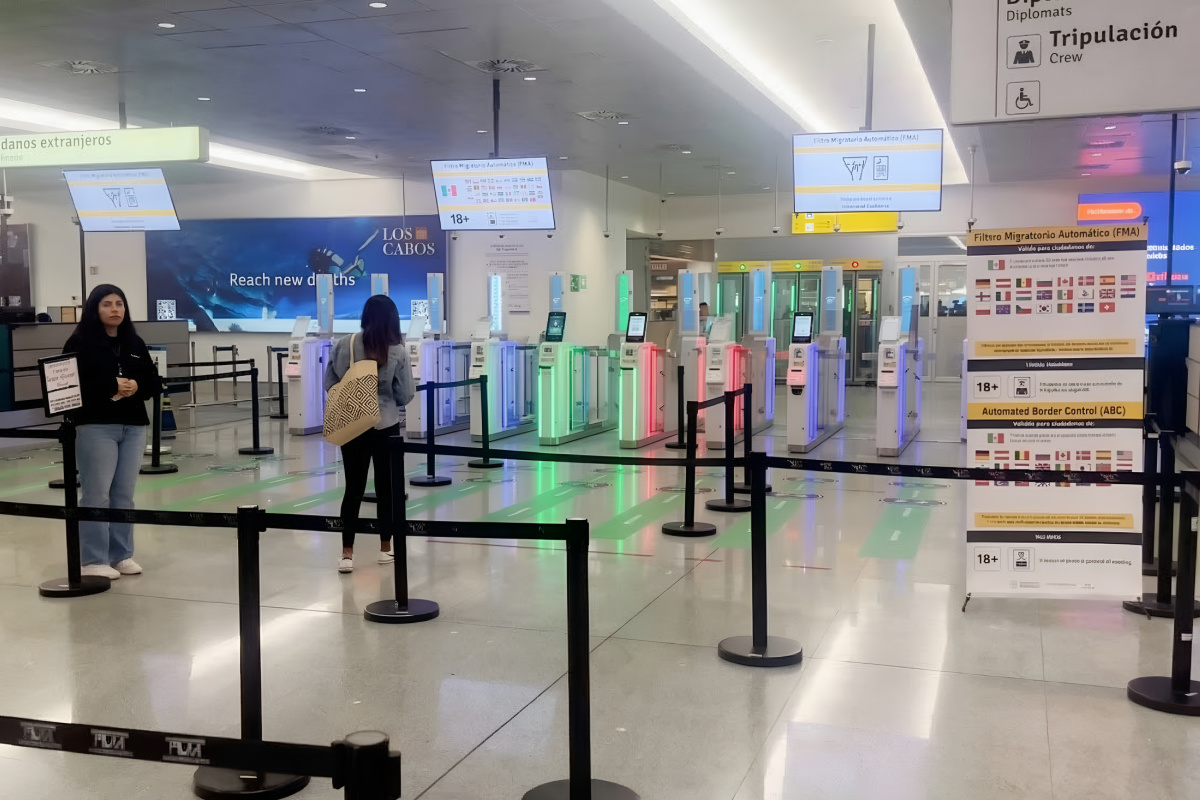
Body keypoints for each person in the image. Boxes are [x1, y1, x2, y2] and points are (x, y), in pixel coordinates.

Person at [66, 284, 161, 579]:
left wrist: (137, 386)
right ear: (95, 308)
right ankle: (93, 558)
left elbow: (153, 382)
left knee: (124, 494)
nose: (115, 309)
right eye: (107, 304)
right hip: (96, 426)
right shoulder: (79, 343)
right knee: (97, 493)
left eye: (119, 303)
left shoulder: (134, 342)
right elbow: (72, 385)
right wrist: (111, 386)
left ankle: (121, 554)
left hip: (132, 426)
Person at [324, 295, 415, 573]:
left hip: (352, 425)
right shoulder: (397, 350)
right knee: (386, 489)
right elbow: (406, 393)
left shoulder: (343, 344)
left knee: (353, 488)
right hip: (384, 425)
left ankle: (347, 554)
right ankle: (385, 549)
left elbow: (330, 383)